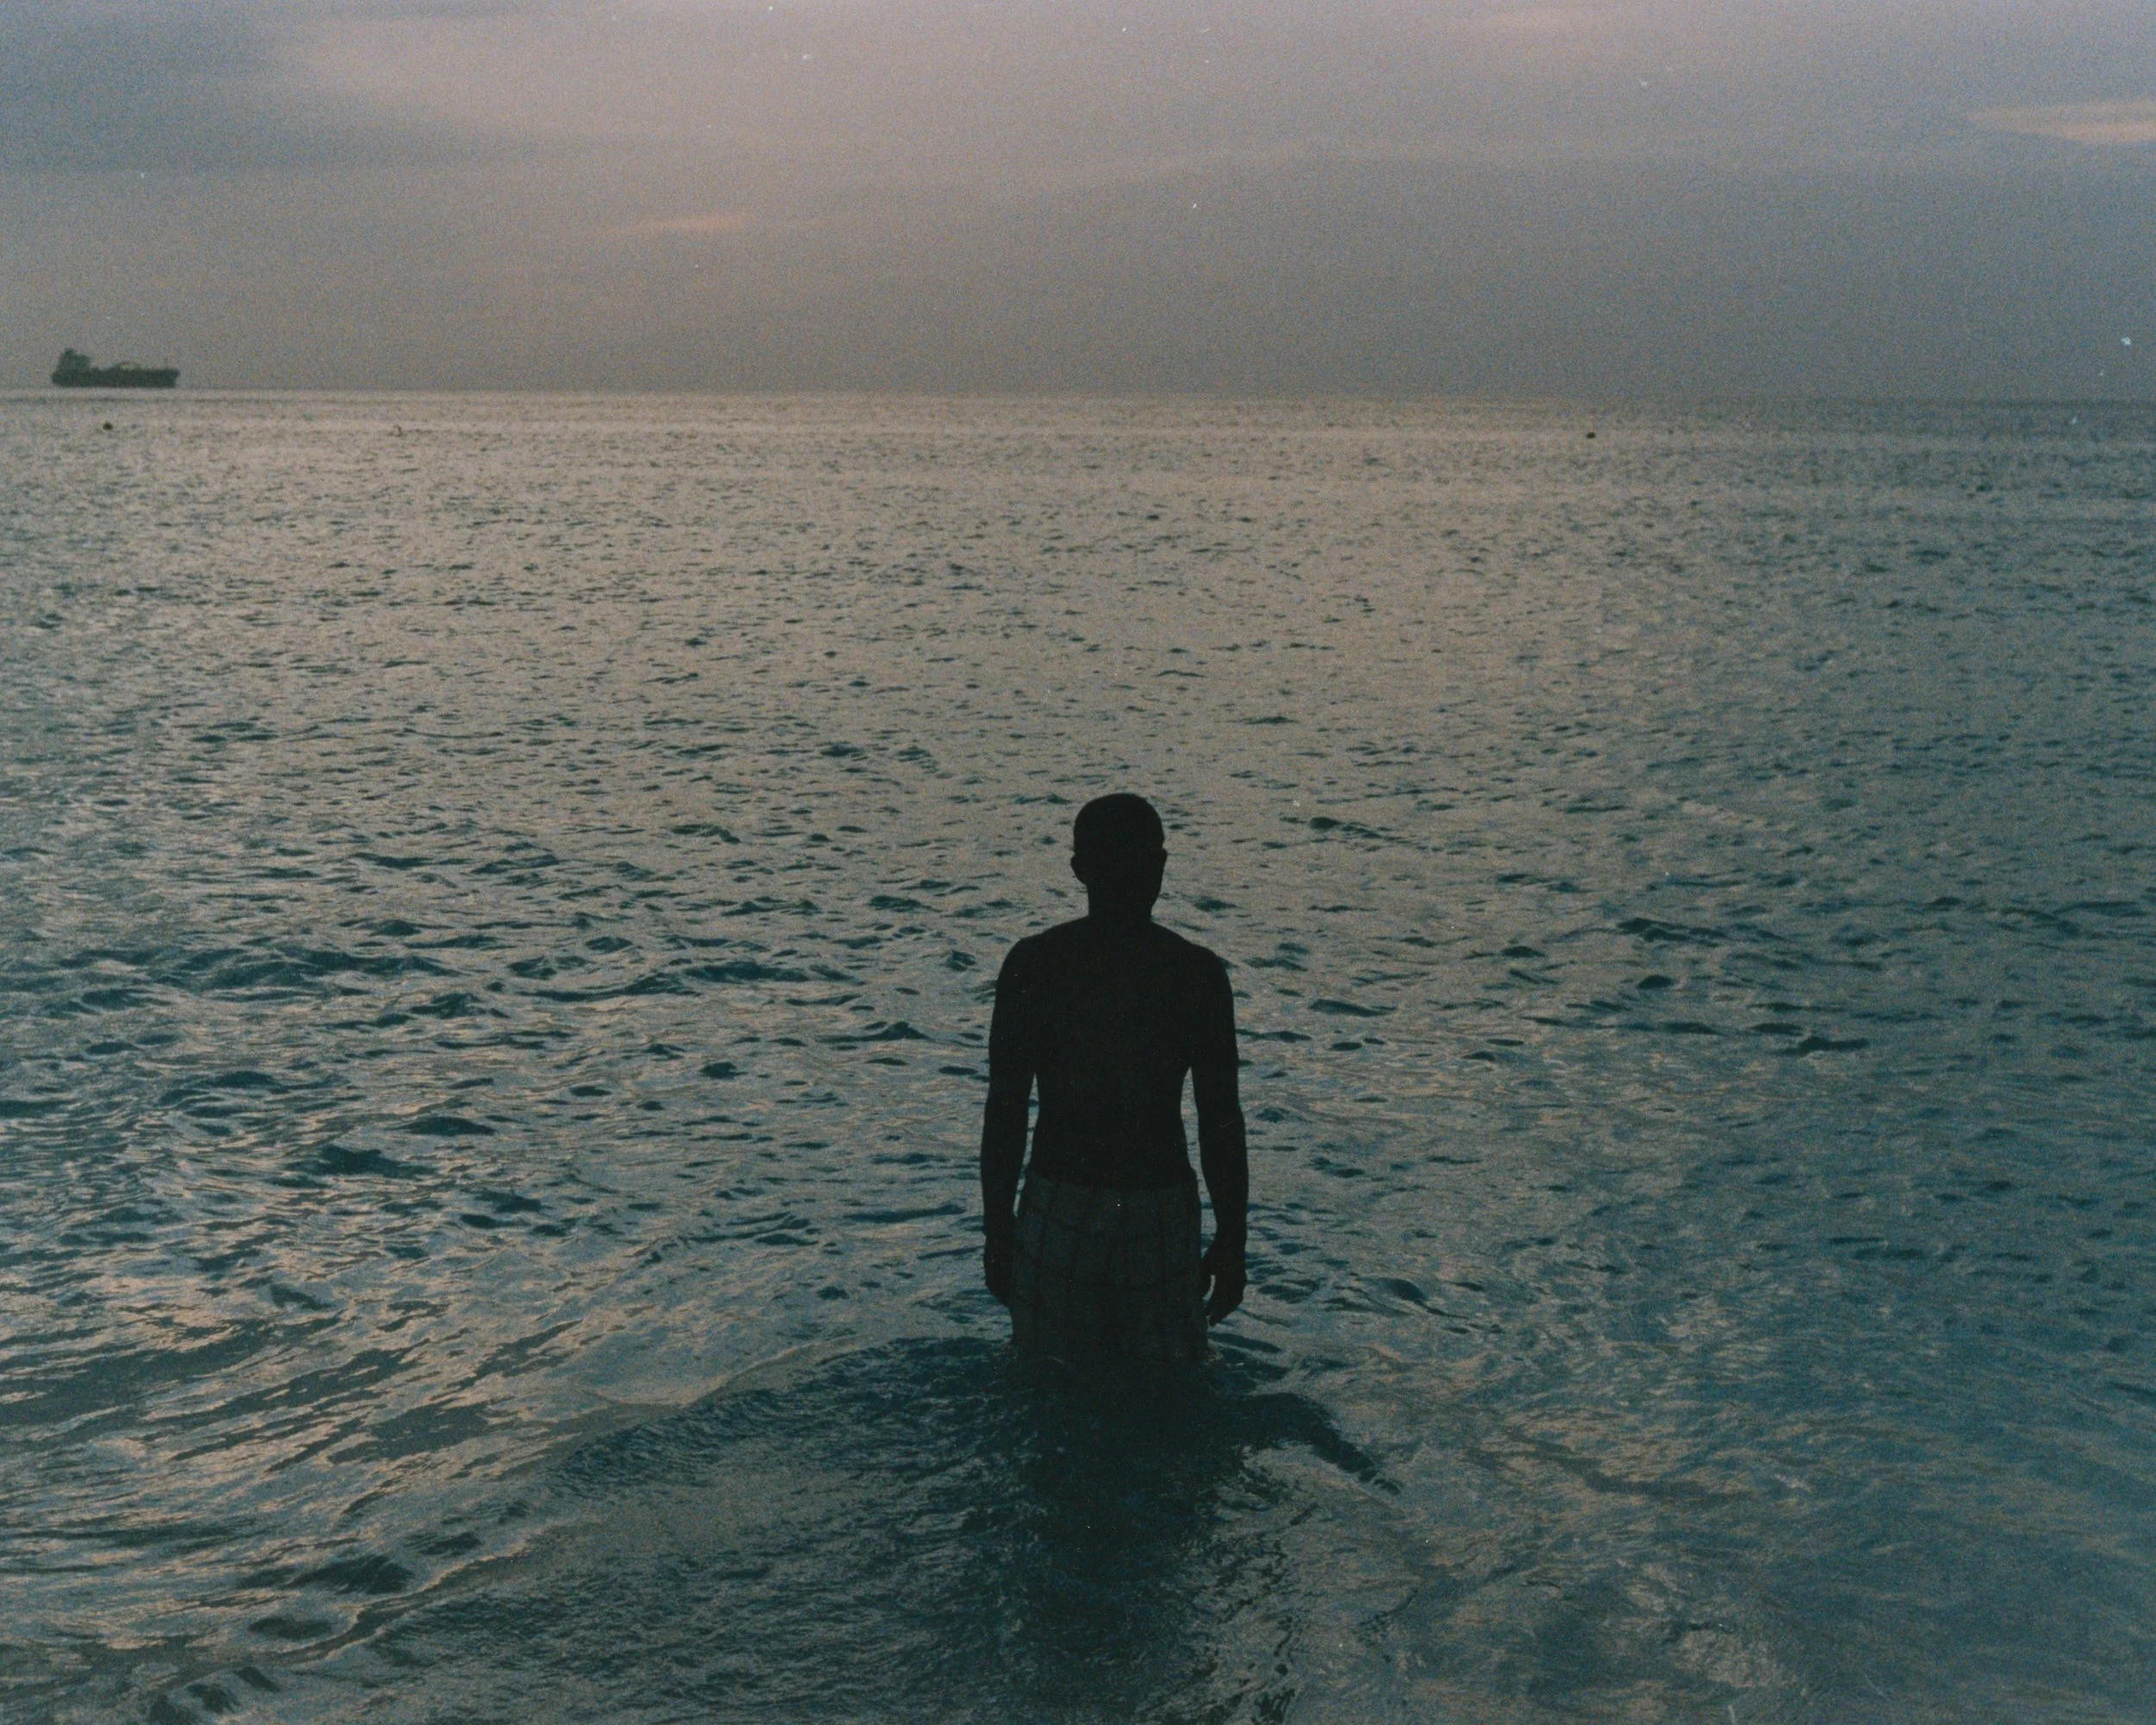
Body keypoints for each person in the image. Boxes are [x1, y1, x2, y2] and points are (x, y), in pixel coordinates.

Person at [979, 794, 1248, 1364]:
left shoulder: (1035, 964)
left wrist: (998, 1229)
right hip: (1158, 1210)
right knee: (1169, 1397)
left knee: (1047, 1385)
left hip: (1060, 1205)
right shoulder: (1196, 974)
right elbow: (1221, 1123)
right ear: (1162, 868)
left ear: (1080, 871)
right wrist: (1232, 1238)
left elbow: (1005, 1112)